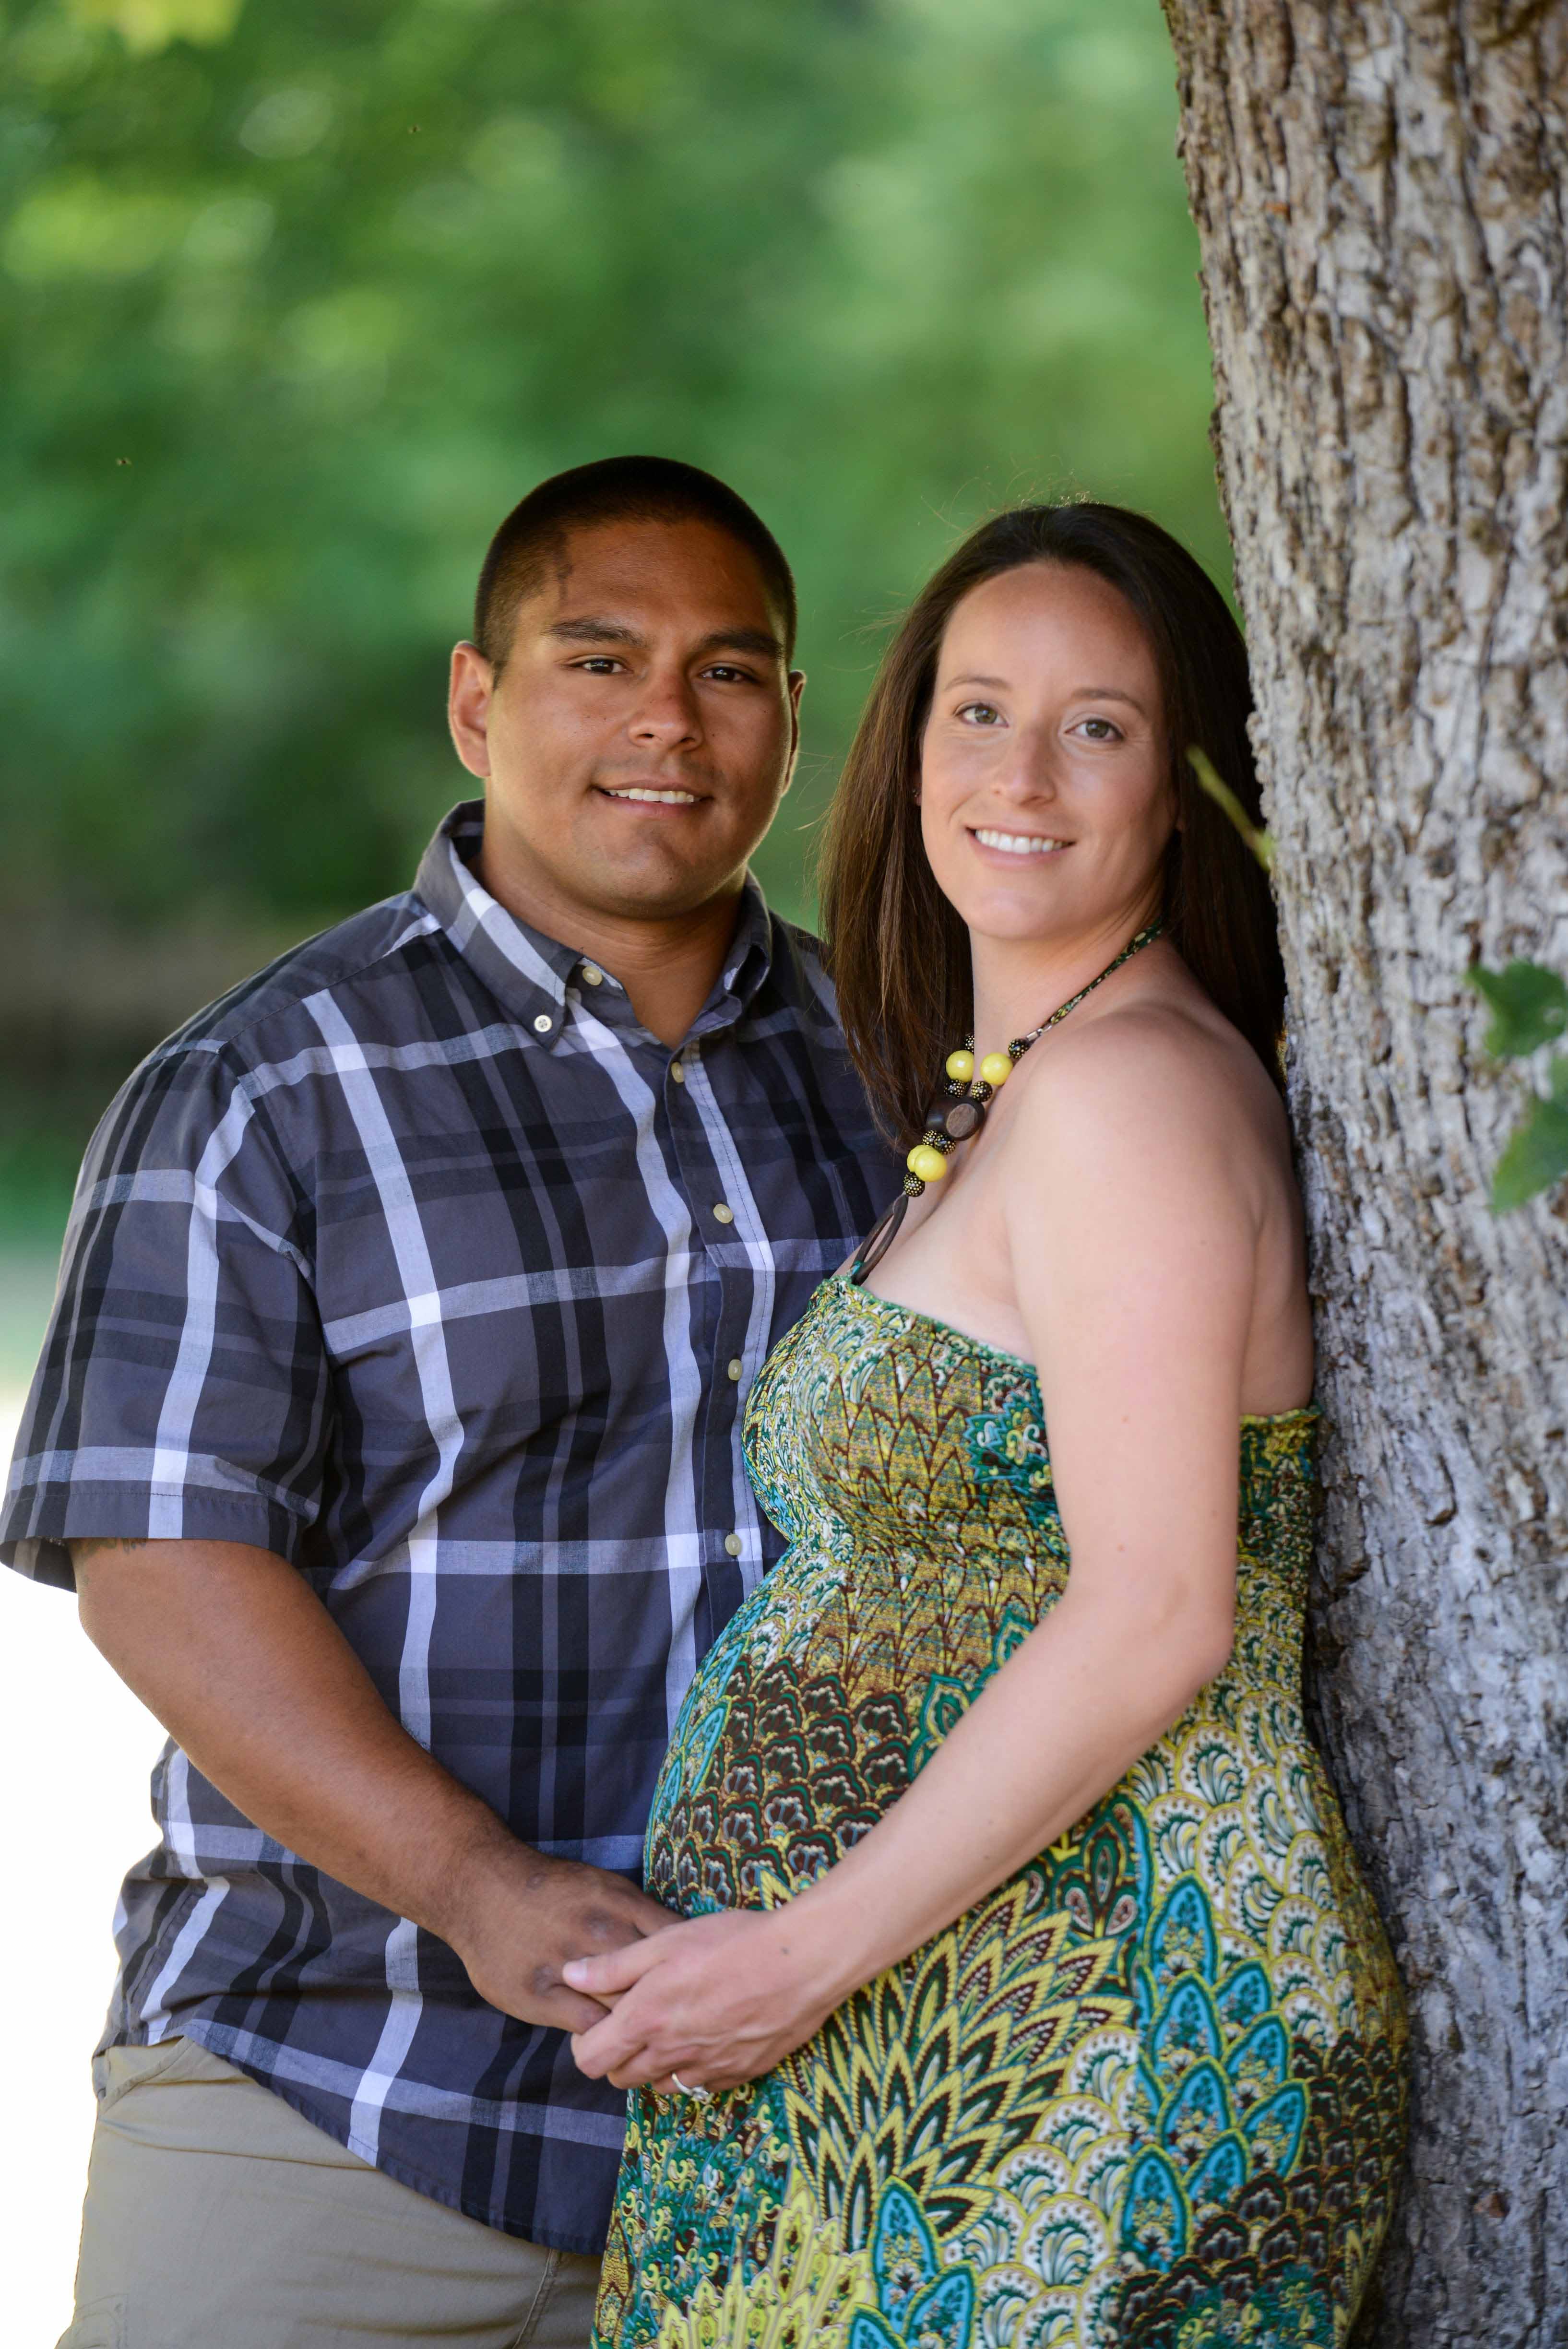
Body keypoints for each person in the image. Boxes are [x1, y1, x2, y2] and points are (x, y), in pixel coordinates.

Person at [1, 455, 897, 2348]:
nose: (668, 718)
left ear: (792, 725)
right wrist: (481, 1886)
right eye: (599, 657)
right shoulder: (262, 1088)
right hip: (341, 2086)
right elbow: (160, 1566)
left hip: (814, 2125)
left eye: (731, 672)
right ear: (478, 702)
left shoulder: (899, 1079)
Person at [564, 502, 1410, 2348]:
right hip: (926, 2027)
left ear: (1183, 789)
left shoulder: (1126, 1096)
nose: (1019, 773)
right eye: (975, 711)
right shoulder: (1028, 1085)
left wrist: (793, 1958)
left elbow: (1160, 1607)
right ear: (905, 743)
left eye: (1097, 726)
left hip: (1085, 2036)